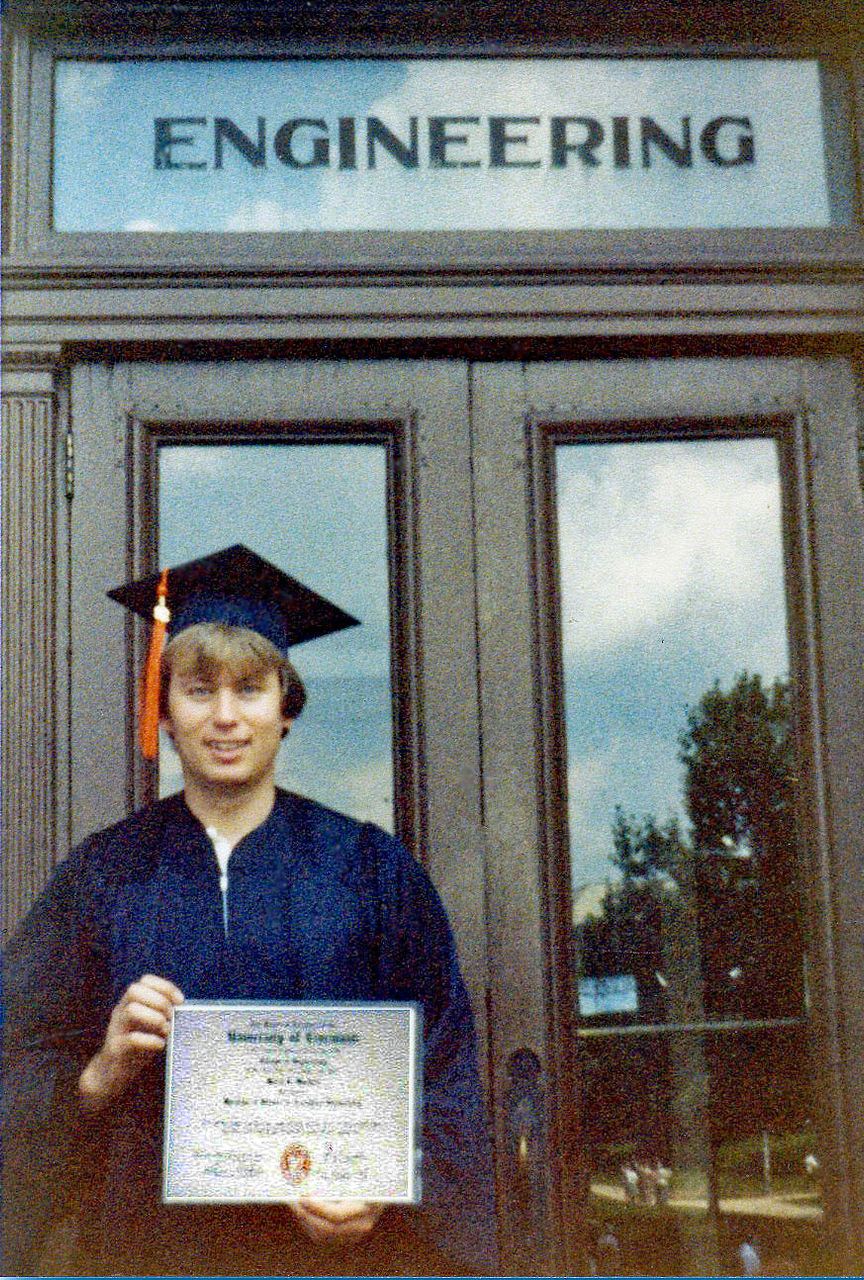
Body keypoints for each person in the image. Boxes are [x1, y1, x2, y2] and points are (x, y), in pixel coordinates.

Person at [2, 545, 497, 1277]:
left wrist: (385, 1193)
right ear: (165, 712)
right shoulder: (105, 875)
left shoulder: (369, 871)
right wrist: (100, 1072)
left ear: (285, 709)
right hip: (149, 1256)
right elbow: (15, 1055)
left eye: (251, 690)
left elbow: (444, 1074)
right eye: (199, 691)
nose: (225, 718)